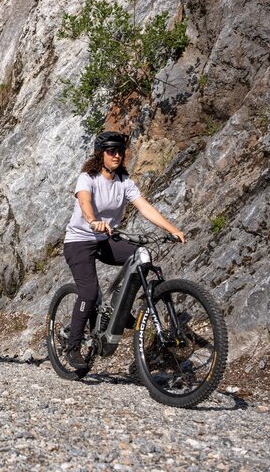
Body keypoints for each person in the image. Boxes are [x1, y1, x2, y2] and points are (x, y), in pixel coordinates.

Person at [62, 131, 186, 369]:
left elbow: (145, 207)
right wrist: (92, 220)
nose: (117, 155)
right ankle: (73, 347)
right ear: (101, 154)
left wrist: (172, 229)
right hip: (79, 240)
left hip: (106, 239)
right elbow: (85, 202)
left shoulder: (124, 182)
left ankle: (122, 307)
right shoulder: (87, 178)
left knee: (141, 256)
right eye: (111, 151)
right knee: (88, 293)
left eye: (120, 151)